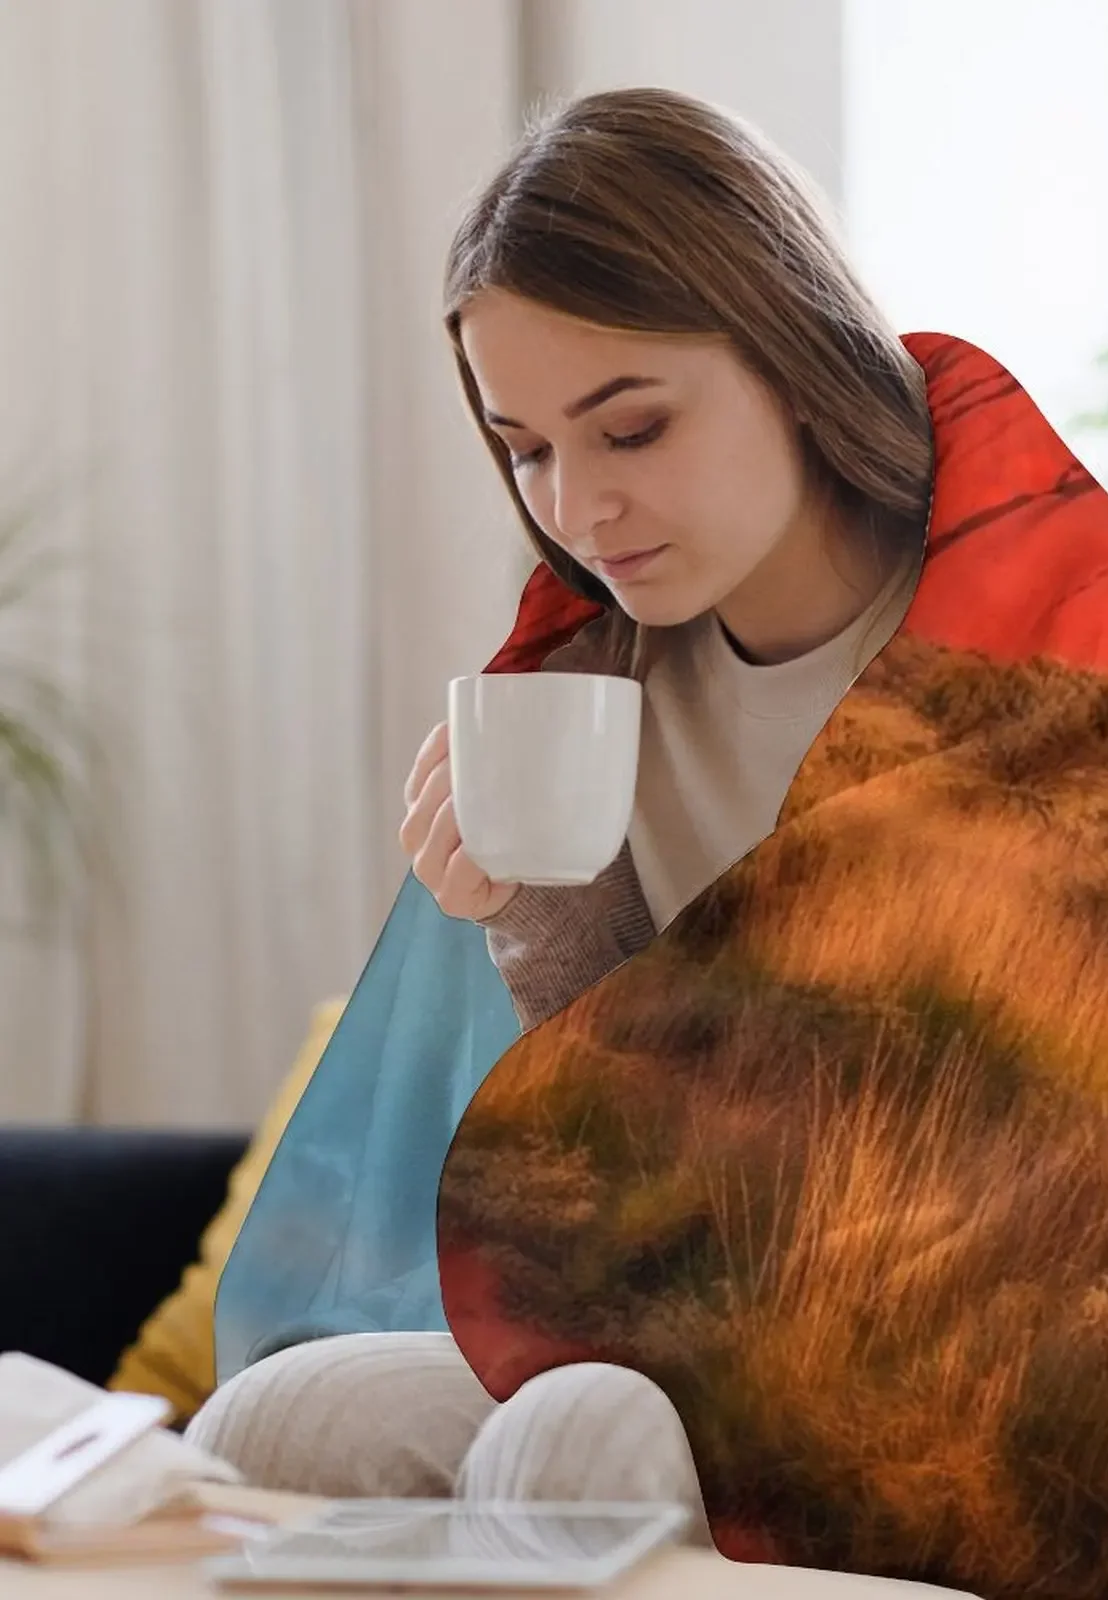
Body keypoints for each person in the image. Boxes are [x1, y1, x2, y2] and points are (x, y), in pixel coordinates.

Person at [185, 85, 932, 1553]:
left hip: (970, 1322)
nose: (578, 509)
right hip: (691, 1307)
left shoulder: (1009, 646)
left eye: (631, 428)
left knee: (582, 1431)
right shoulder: (599, 685)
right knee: (273, 1422)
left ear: (787, 350)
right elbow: (625, 1171)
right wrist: (530, 914)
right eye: (526, 449)